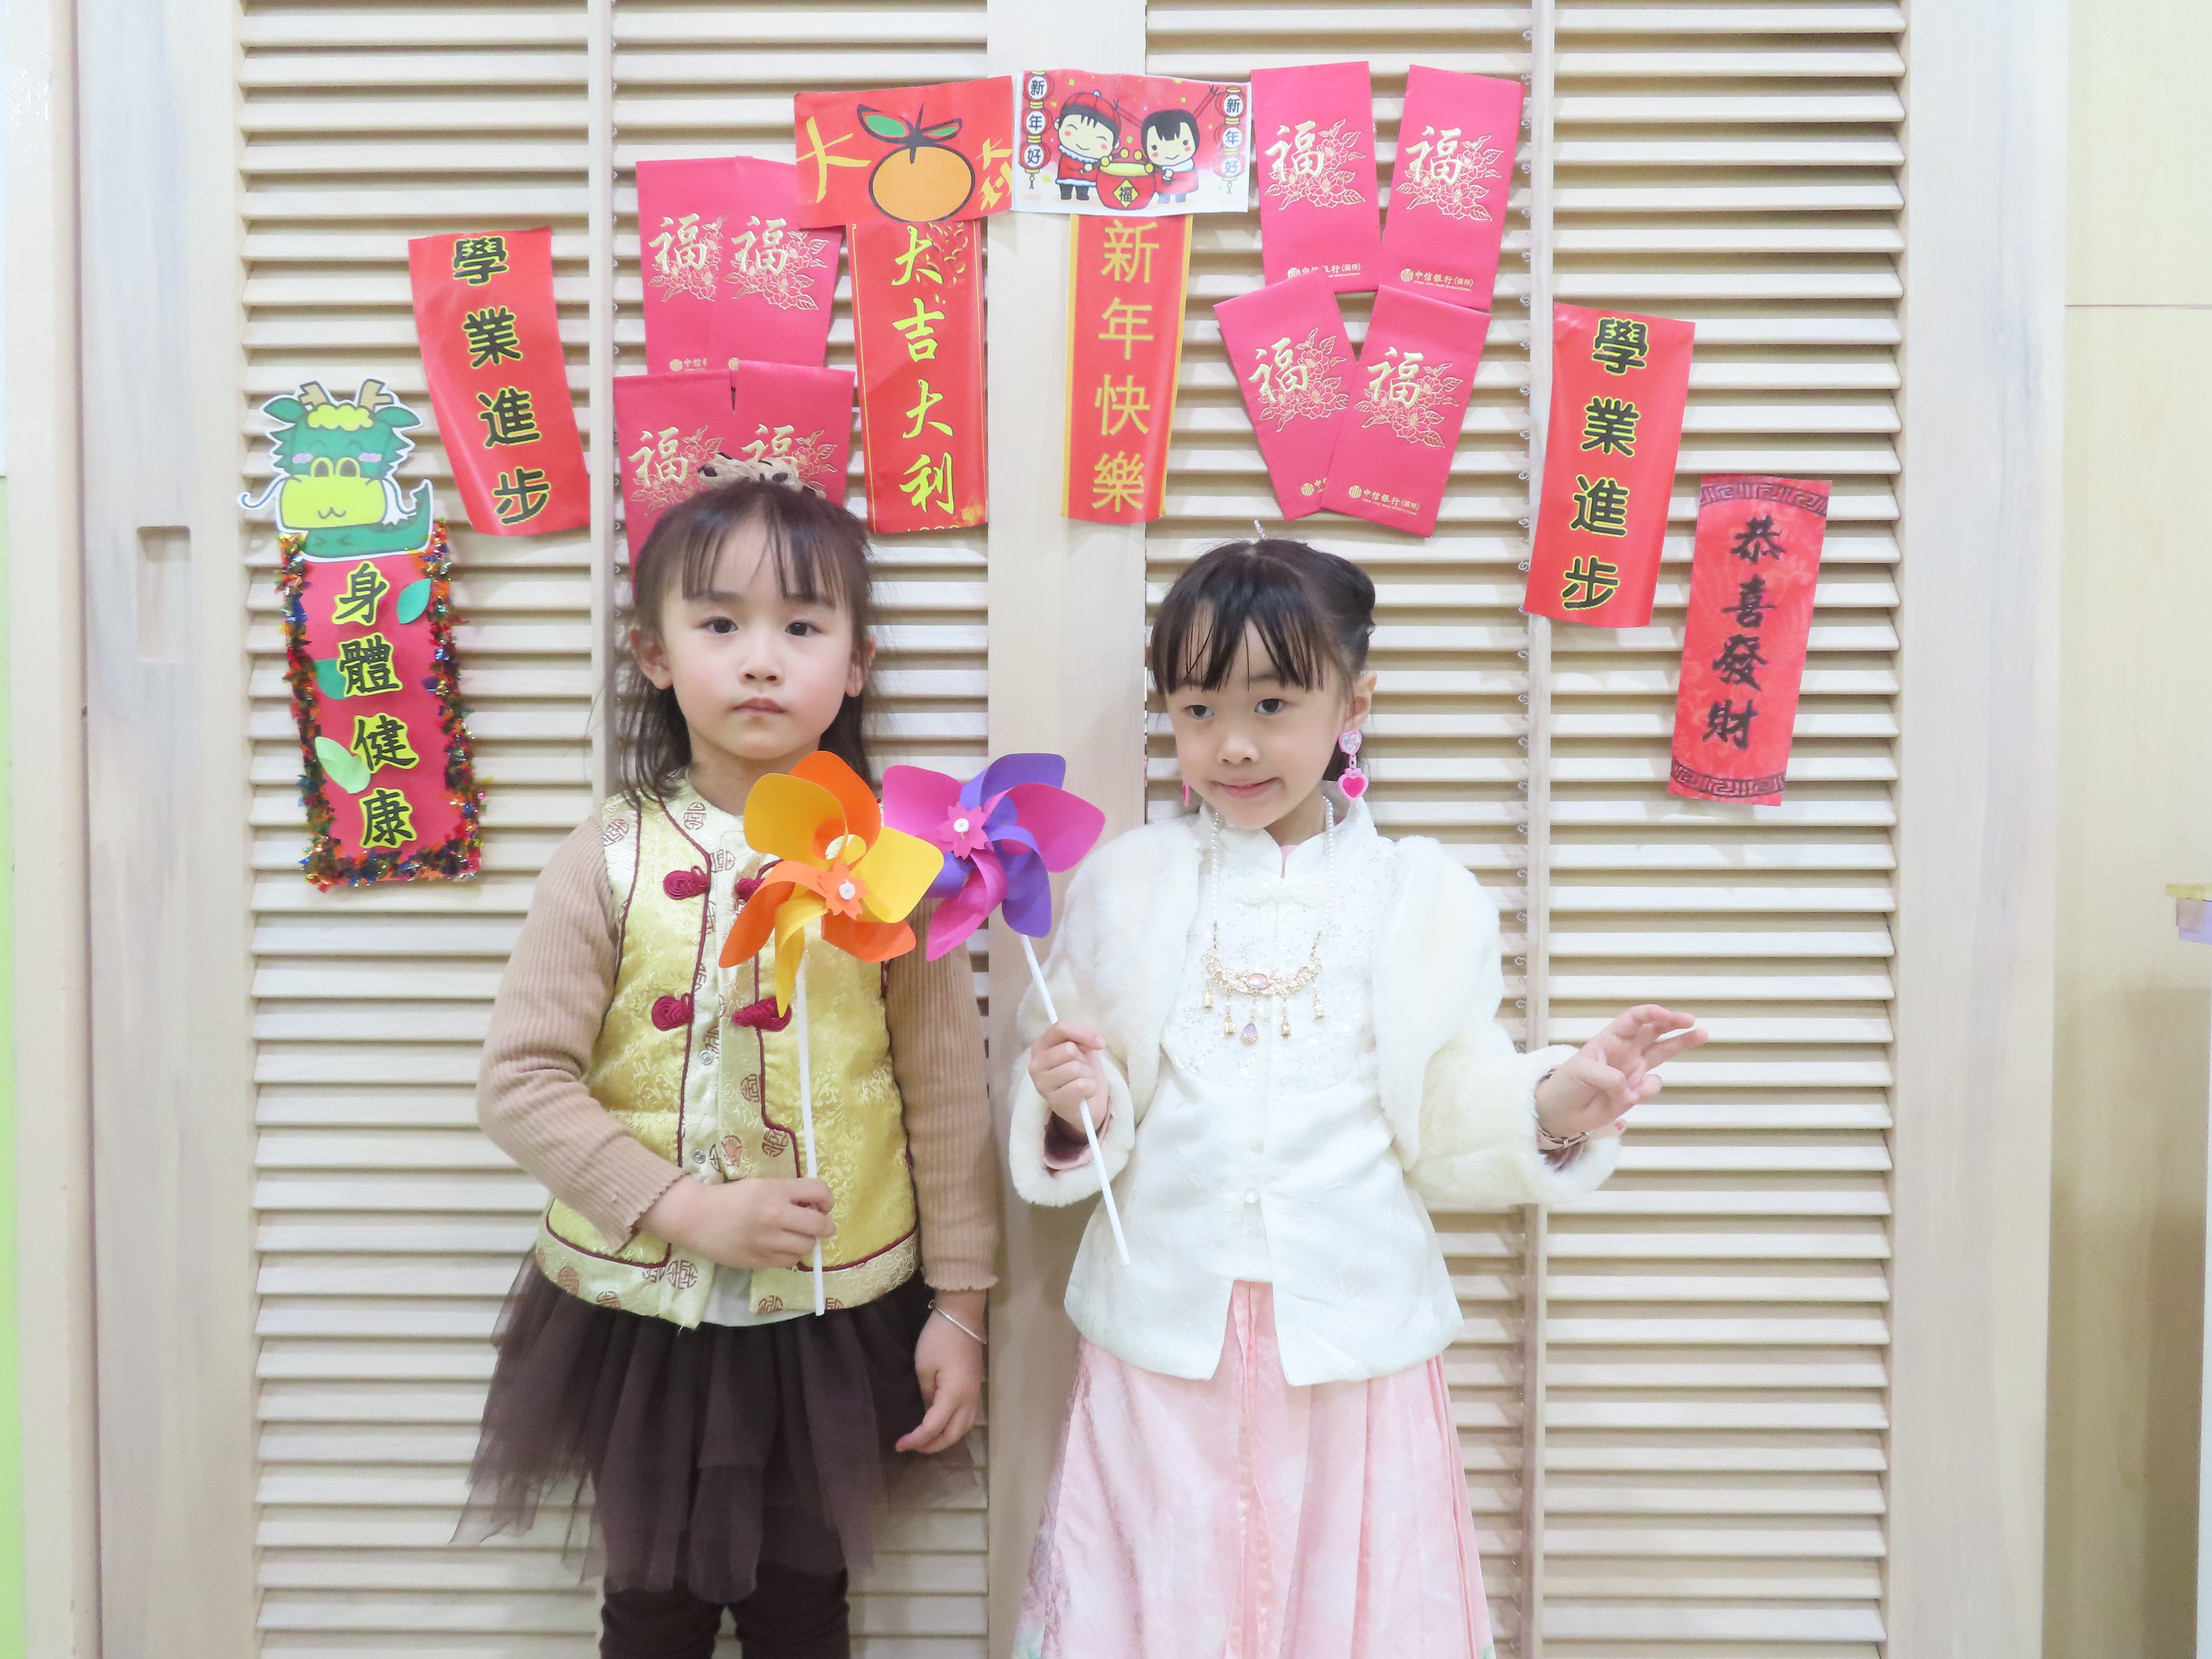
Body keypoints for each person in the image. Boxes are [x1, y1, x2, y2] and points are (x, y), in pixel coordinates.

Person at [1009, 538, 1704, 1659]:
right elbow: (1093, 1094)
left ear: (1353, 705)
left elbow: (1447, 1114)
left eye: (1273, 704)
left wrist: (1559, 1101)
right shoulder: (1127, 885)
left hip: (1353, 1342)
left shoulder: (1424, 898)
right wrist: (1066, 1101)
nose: (1233, 745)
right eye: (1197, 709)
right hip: (1162, 1337)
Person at [461, 477, 998, 1659]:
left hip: (833, 1317)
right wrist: (684, 1207)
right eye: (720, 624)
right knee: (649, 1608)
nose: (761, 659)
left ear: (855, 666)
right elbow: (521, 1082)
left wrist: (961, 1307)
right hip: (640, 1321)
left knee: (804, 1605)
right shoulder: (603, 858)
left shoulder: (897, 870)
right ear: (654, 655)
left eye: (802, 626)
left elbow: (949, 1100)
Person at [1055, 98, 1119, 202]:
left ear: (1115, 145)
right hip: (1066, 171)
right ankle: (1066, 194)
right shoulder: (1068, 155)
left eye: (1100, 139)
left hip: (1087, 175)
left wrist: (1092, 167)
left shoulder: (1094, 160)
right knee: (1065, 185)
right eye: (1073, 130)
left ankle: (1082, 194)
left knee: (1084, 188)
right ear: (1058, 125)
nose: (1084, 143)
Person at [1142, 108, 1202, 203]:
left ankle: (1181, 198)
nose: (1171, 152)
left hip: (1183, 184)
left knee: (1181, 197)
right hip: (1163, 186)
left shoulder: (1188, 166)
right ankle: (1165, 199)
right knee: (1164, 196)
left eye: (1185, 143)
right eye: (1155, 147)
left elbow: (1190, 179)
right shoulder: (1157, 169)